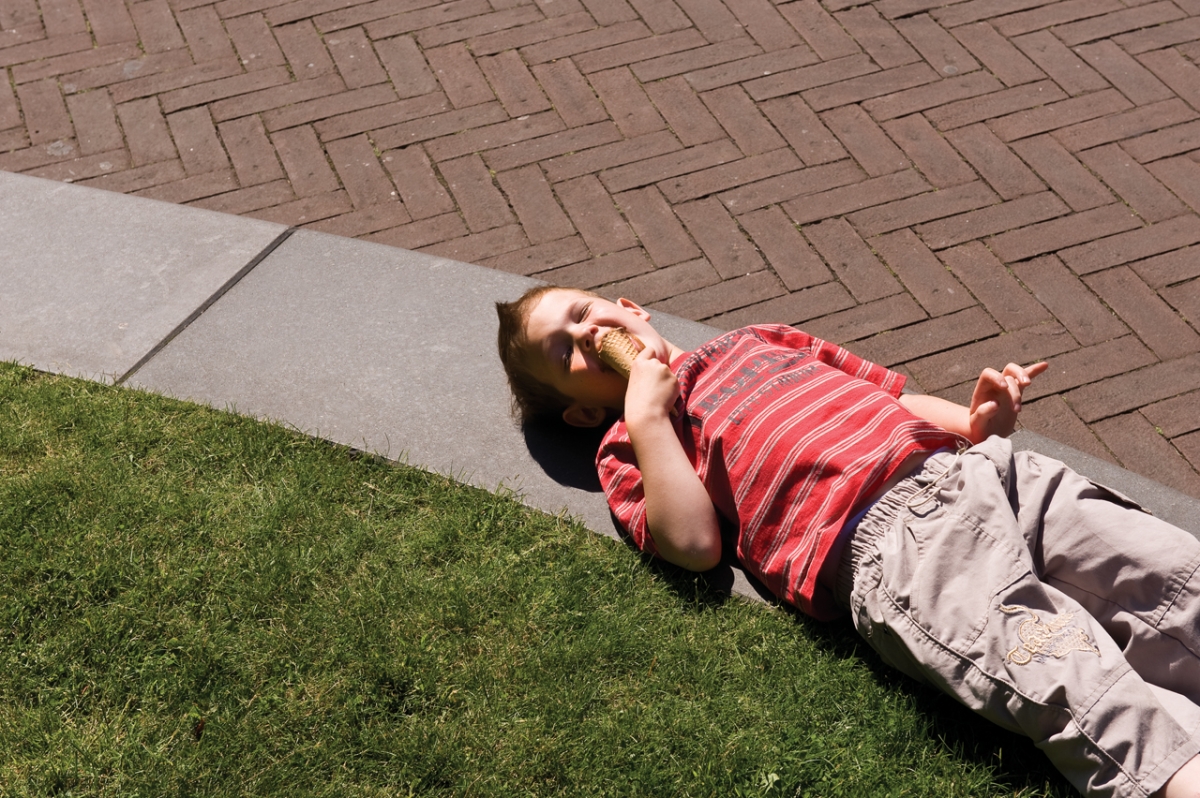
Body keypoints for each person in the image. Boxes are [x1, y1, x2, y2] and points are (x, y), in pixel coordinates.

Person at [495, 284, 1200, 798]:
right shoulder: (631, 445)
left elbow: (894, 402)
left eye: (586, 313)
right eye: (566, 350)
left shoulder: (759, 339)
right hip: (897, 550)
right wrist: (649, 416)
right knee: (1064, 676)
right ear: (585, 409)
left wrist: (976, 418)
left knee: (1171, 577)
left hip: (983, 472)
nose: (588, 334)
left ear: (631, 309)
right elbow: (694, 543)